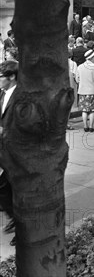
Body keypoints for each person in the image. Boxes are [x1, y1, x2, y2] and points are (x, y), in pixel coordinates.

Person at [0, 59, 18, 245]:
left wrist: (6, 130)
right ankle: (14, 216)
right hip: (3, 151)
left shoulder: (22, 97)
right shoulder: (3, 93)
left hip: (18, 153)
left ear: (11, 77)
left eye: (1, 77)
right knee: (3, 188)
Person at [76, 49, 94, 132]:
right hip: (93, 90)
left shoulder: (80, 67)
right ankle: (91, 126)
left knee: (84, 110)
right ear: (92, 57)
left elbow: (77, 79)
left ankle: (85, 126)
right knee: (92, 110)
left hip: (83, 91)